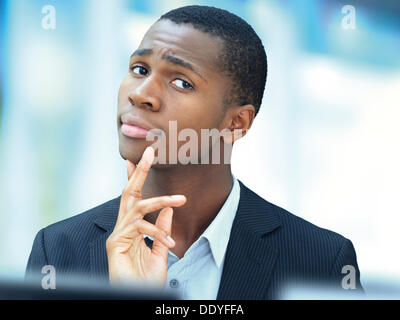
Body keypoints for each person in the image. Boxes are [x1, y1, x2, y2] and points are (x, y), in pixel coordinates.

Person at [25, 5, 363, 299]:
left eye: (181, 82)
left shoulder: (321, 261)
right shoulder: (58, 251)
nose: (141, 94)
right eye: (140, 70)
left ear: (236, 123)